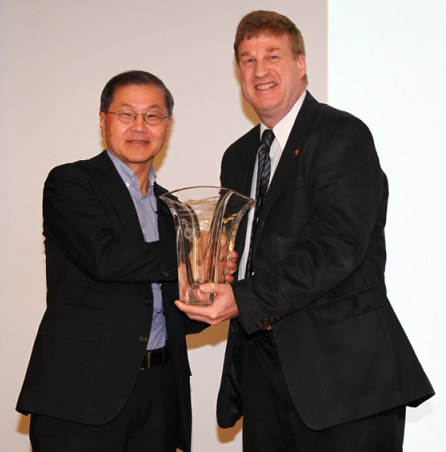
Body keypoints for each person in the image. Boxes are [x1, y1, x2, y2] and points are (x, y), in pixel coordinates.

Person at [176, 10, 434, 452]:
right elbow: (247, 251)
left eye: (272, 55)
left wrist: (243, 298)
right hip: (262, 375)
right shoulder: (238, 156)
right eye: (247, 60)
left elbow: (338, 249)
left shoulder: (341, 135)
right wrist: (221, 272)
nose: (259, 70)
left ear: (302, 63)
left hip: (343, 379)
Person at [17, 70, 211, 452]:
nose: (140, 126)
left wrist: (210, 279)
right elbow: (105, 258)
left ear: (167, 126)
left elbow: (181, 315)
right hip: (81, 393)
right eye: (127, 114)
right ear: (103, 119)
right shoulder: (71, 183)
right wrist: (192, 255)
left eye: (152, 116)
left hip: (160, 392)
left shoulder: (176, 210)